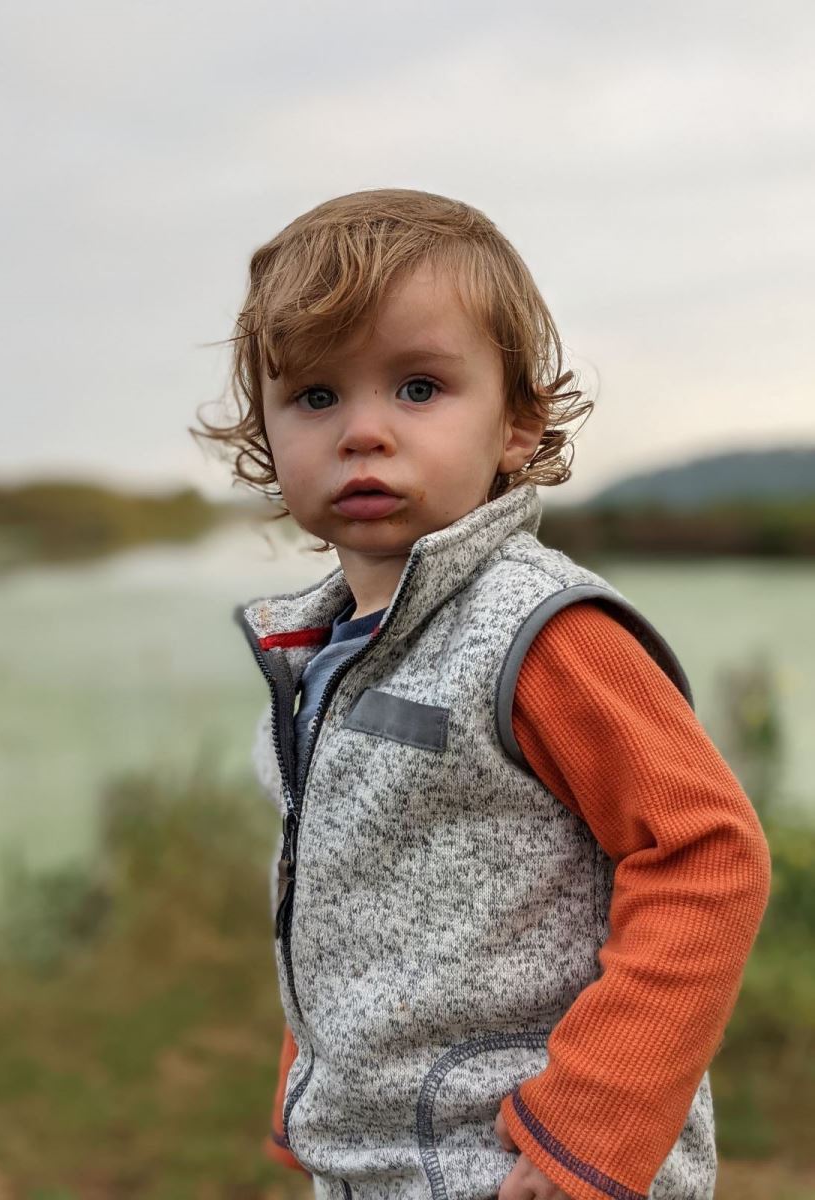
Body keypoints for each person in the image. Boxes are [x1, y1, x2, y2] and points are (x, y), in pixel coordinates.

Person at [200, 189, 772, 1200]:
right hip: (382, 1163)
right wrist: (320, 1086)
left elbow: (708, 855)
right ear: (268, 435)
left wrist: (588, 1130)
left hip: (525, 1165)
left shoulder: (542, 633)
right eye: (317, 396)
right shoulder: (326, 647)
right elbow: (357, 890)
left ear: (517, 424)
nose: (363, 431)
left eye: (418, 388)